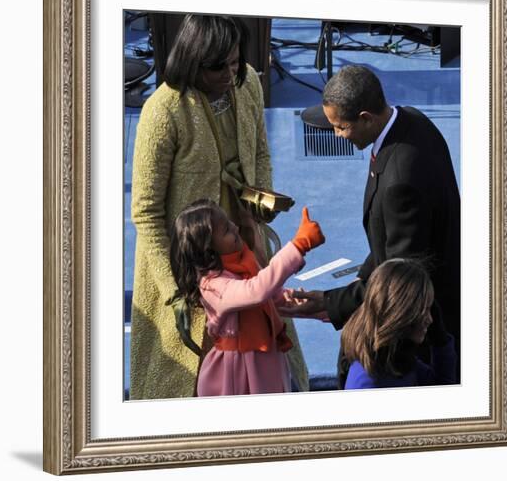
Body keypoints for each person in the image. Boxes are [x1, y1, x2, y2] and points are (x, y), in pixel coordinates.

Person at [130, 14, 309, 400]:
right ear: (194, 63)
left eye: (234, 61)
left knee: (262, 348)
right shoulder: (162, 111)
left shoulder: (247, 84)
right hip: (188, 264)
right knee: (190, 380)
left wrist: (260, 203)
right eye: (219, 68)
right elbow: (145, 211)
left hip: (243, 245)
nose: (231, 73)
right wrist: (175, 291)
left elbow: (260, 151)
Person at [281, 65, 460, 386]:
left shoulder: (400, 182)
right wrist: (337, 297)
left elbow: (401, 277)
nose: (336, 134)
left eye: (341, 127)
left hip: (421, 333)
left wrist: (331, 302)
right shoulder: (411, 121)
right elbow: (386, 246)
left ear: (366, 117)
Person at [169, 200, 325, 396]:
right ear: (209, 250)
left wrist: (318, 307)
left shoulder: (242, 262)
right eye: (226, 230)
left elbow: (270, 299)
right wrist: (299, 245)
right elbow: (257, 290)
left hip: (267, 360)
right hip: (237, 374)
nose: (234, 227)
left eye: (229, 223)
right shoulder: (212, 286)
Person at [342, 258, 456, 389]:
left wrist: (440, 341)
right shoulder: (368, 383)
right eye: (423, 311)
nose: (430, 320)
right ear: (401, 314)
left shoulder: (394, 358)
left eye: (430, 309)